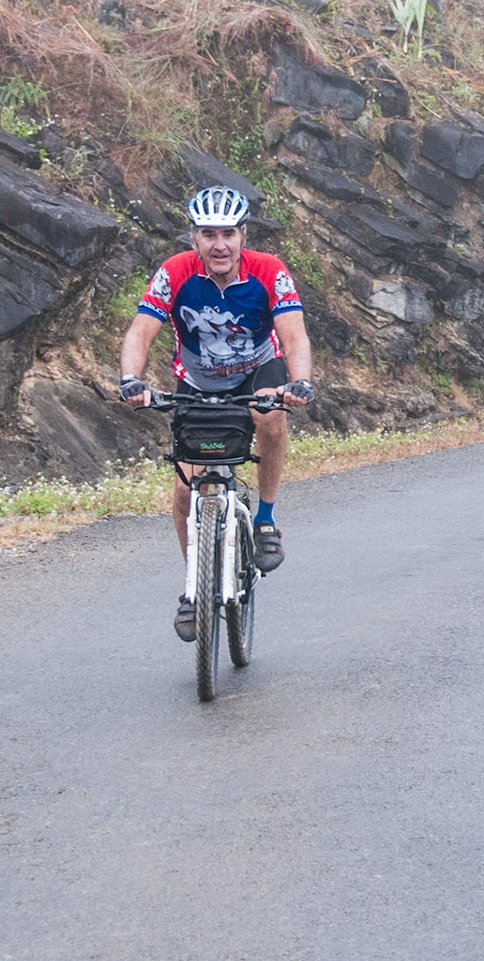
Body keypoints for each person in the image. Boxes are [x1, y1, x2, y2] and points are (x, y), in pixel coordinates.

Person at [119, 185, 315, 642]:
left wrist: (299, 382)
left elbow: (295, 336)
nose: (219, 244)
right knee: (187, 493)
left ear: (243, 234)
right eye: (209, 234)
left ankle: (265, 519)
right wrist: (132, 379)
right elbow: (140, 332)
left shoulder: (270, 271)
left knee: (269, 415)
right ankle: (194, 587)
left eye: (228, 232)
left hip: (257, 370)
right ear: (195, 239)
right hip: (198, 380)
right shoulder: (175, 272)